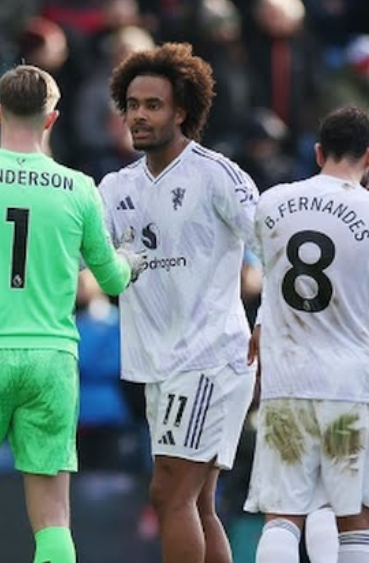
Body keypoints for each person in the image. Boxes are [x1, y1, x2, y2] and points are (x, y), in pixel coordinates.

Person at [0, 64, 143, 563]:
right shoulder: (78, 187)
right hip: (51, 357)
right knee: (53, 518)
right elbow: (110, 281)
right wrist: (130, 260)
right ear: (52, 119)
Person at [244, 106, 369, 563]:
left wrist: (261, 324)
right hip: (351, 385)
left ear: (318, 152)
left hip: (287, 382)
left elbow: (270, 276)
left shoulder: (272, 203)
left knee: (282, 517)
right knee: (355, 522)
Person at [100, 42, 259, 563]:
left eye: (153, 105)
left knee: (169, 494)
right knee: (197, 501)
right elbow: (83, 257)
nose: (139, 116)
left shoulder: (217, 175)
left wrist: (272, 320)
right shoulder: (116, 186)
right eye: (132, 105)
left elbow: (275, 245)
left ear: (182, 112)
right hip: (159, 364)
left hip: (208, 358)